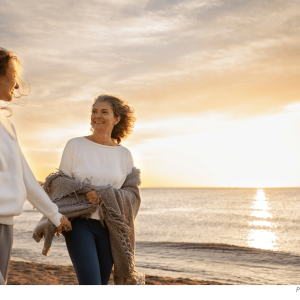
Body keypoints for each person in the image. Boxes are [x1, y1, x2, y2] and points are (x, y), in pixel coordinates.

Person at [0, 48, 71, 286]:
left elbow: (27, 179)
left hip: (5, 226)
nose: (17, 85)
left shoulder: (7, 126)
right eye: (12, 75)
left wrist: (54, 214)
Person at [59, 94, 137, 286]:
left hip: (110, 227)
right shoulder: (75, 145)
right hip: (79, 223)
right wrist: (56, 215)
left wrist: (104, 195)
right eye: (94, 111)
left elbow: (132, 195)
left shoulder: (124, 155)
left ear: (117, 119)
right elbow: (60, 185)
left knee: (101, 283)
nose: (97, 116)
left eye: (104, 112)